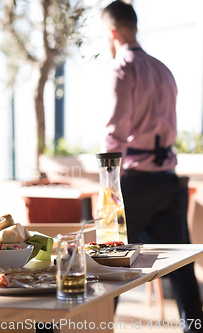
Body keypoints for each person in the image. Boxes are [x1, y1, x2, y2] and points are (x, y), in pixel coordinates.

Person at [101, 2, 203, 331]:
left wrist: (108, 187)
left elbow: (114, 134)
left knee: (108, 266)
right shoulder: (163, 70)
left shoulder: (122, 68)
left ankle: (96, 326)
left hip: (135, 184)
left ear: (112, 32)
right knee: (182, 270)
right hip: (168, 181)